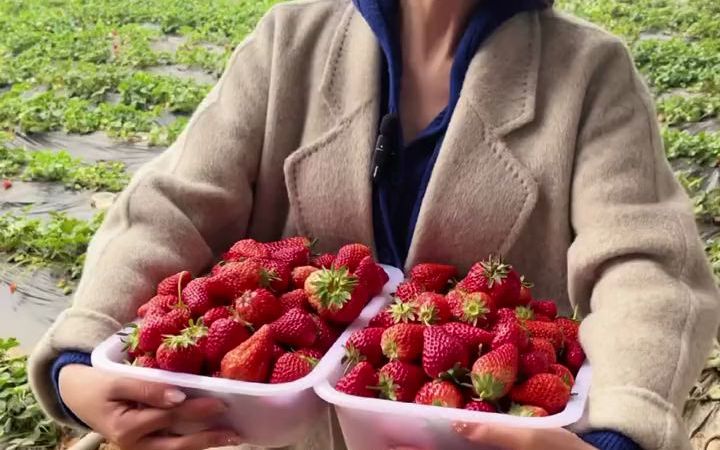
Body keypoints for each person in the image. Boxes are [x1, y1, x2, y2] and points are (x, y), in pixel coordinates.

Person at [28, 0, 720, 449]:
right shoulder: (289, 42)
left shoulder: (589, 73)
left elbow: (645, 266)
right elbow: (172, 205)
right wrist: (77, 361)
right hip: (252, 438)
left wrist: (617, 435)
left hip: (486, 431)